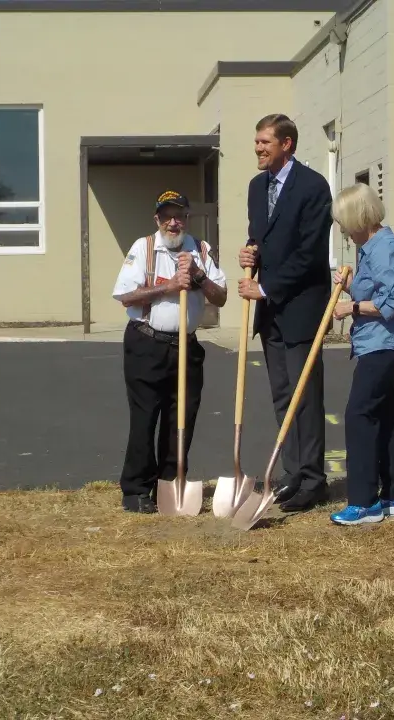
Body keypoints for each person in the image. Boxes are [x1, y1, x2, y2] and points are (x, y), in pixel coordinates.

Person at [237, 113, 334, 513]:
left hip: (301, 308)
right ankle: (293, 473)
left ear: (286, 144)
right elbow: (261, 237)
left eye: (265, 142)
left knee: (304, 397)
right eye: (257, 142)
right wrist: (250, 253)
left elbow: (310, 253)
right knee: (282, 395)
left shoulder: (313, 187)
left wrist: (266, 287)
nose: (258, 148)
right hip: (270, 313)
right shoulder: (257, 187)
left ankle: (313, 480)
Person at [112, 190, 228, 513]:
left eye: (179, 216)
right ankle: (136, 489)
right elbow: (125, 296)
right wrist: (169, 286)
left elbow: (220, 297)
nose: (173, 223)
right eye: (167, 216)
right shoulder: (144, 248)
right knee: (145, 417)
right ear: (157, 219)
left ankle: (170, 484)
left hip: (186, 347)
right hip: (146, 343)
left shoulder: (200, 250)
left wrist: (198, 276)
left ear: (187, 219)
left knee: (182, 418)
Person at [327, 182, 394, 526]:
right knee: (386, 416)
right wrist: (351, 286)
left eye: (343, 222)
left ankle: (365, 503)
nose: (343, 231)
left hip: (385, 345)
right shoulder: (368, 248)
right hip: (372, 344)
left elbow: (392, 303)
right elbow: (374, 290)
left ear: (358, 217)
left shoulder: (386, 248)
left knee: (358, 414)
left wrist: (351, 307)